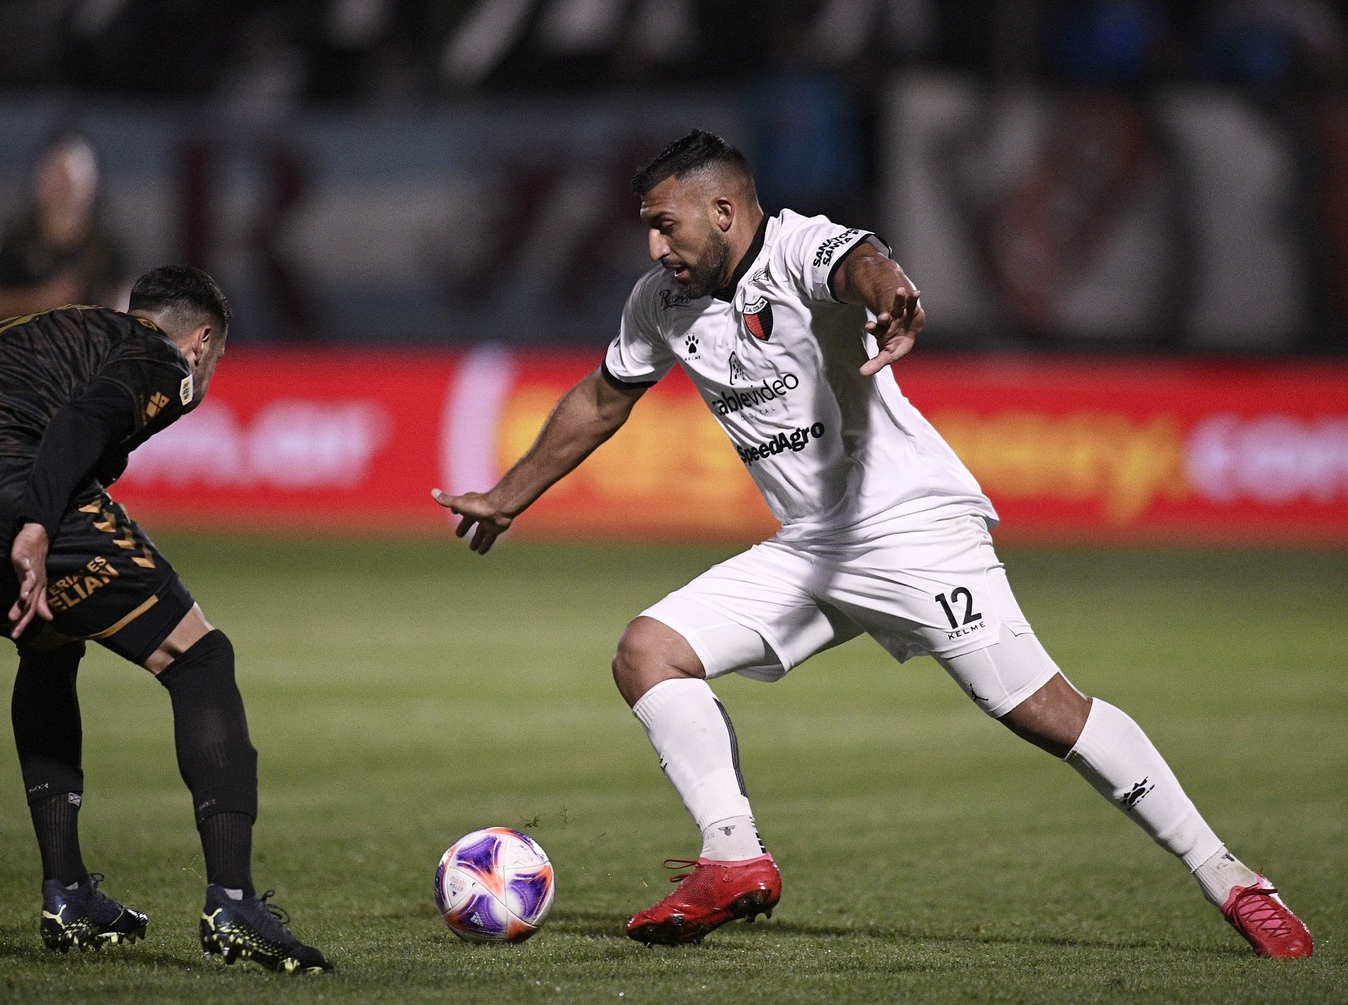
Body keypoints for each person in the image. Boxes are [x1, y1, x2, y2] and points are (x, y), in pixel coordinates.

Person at [431, 129, 1313, 958]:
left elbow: (861, 265)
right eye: (649, 230)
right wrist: (508, 496)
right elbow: (603, 397)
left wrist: (892, 298)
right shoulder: (661, 301)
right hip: (810, 547)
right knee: (648, 652)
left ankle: (1230, 878)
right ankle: (732, 855)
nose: (655, 247)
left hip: (912, 532)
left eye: (665, 225)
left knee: (1044, 711)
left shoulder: (797, 246)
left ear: (725, 213)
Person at [0, 265, 333, 975]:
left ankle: (67, 891)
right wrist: (38, 522)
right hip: (3, 485)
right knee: (199, 659)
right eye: (217, 357)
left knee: (49, 643)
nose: (209, 370)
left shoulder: (29, 339)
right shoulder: (159, 358)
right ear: (199, 342)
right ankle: (233, 902)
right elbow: (85, 417)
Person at [0, 133, 128, 331]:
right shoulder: (12, 241)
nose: (63, 191)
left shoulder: (106, 250)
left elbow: (124, 303)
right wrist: (40, 301)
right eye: (55, 179)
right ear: (39, 183)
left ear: (92, 186)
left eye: (71, 182)